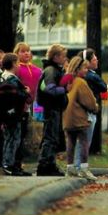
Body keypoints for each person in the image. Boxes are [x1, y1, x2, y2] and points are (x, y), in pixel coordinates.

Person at [63, 56, 99, 181]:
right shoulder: (81, 82)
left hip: (67, 116)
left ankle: (70, 168)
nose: (86, 70)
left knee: (70, 142)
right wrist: (95, 107)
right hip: (79, 117)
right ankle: (84, 169)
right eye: (84, 68)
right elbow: (89, 102)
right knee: (84, 142)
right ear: (77, 69)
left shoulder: (67, 81)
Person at [73, 48, 108, 172]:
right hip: (88, 112)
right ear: (87, 62)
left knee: (82, 141)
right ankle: (79, 167)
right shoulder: (91, 76)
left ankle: (78, 166)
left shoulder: (82, 76)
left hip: (81, 111)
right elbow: (104, 87)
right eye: (94, 58)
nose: (97, 60)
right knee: (85, 141)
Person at [36, 44, 68, 176]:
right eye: (63, 56)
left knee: (54, 138)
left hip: (56, 108)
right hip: (51, 108)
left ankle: (50, 164)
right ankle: (44, 166)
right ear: (55, 57)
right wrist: (65, 90)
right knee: (50, 138)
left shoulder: (56, 70)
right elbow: (49, 89)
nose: (65, 58)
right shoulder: (50, 71)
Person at [0, 53, 32, 176]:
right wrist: (26, 92)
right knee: (14, 139)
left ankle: (11, 164)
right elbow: (17, 95)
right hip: (14, 113)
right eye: (17, 63)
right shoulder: (13, 79)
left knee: (9, 138)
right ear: (13, 64)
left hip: (5, 112)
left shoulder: (2, 76)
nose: (19, 66)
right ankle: (8, 164)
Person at [13, 42, 42, 176]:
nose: (26, 53)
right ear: (16, 53)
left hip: (28, 106)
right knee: (16, 135)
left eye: (28, 51)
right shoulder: (16, 69)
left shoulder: (36, 69)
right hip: (17, 105)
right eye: (22, 51)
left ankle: (18, 163)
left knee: (23, 134)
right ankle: (13, 163)